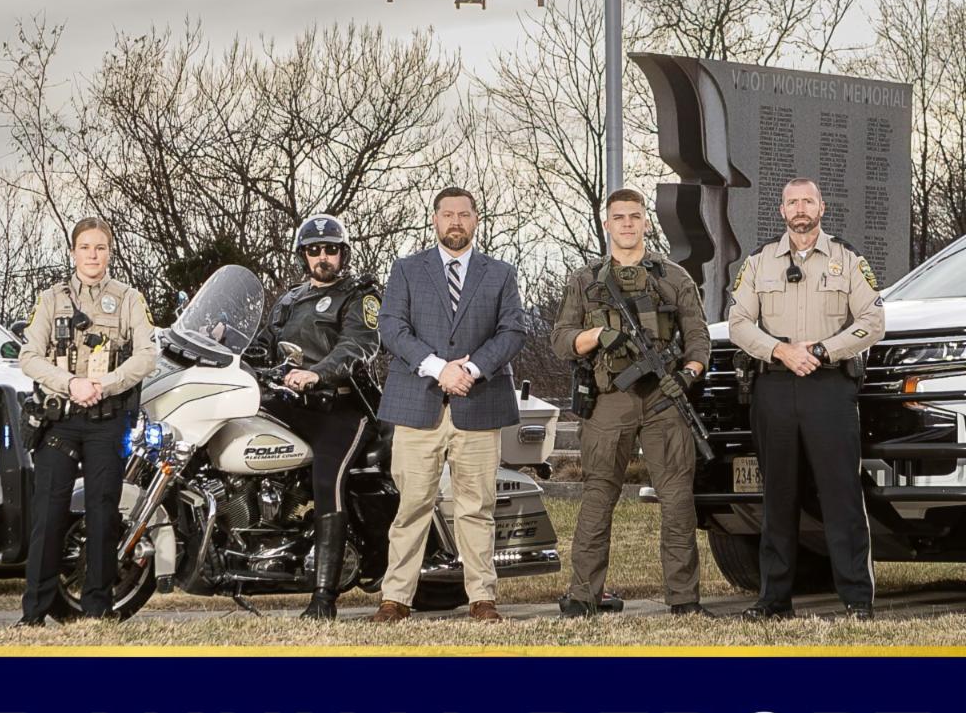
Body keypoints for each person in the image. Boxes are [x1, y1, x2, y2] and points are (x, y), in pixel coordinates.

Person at [728, 177, 884, 621]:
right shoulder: (758, 263)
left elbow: (873, 320)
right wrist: (780, 350)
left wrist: (821, 350)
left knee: (842, 496)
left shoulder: (847, 259)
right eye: (792, 202)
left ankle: (856, 600)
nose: (800, 209)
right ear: (781, 211)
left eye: (808, 201)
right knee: (777, 496)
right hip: (773, 387)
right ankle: (774, 601)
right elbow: (739, 322)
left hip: (829, 387)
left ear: (822, 208)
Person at [369, 187, 526, 625]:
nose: (455, 222)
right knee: (412, 505)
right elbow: (391, 327)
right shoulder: (405, 270)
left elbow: (512, 331)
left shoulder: (501, 274)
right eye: (447, 215)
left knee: (476, 507)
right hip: (417, 406)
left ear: (476, 220)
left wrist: (472, 369)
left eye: (464, 215)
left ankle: (482, 598)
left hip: (479, 403)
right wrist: (439, 368)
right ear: (434, 221)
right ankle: (395, 598)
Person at [552, 188, 710, 618]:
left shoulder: (673, 276)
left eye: (634, 216)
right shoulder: (585, 280)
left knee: (677, 497)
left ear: (645, 222)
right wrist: (597, 336)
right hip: (609, 400)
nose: (626, 223)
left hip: (663, 398)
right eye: (618, 217)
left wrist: (688, 374)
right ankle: (583, 597)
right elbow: (561, 339)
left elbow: (698, 337)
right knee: (599, 495)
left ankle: (684, 601)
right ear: (607, 224)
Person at [17, 217, 159, 625]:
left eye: (100, 248)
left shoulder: (129, 298)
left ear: (110, 252)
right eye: (85, 247)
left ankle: (98, 610)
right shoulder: (50, 299)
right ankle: (34, 612)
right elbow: (29, 357)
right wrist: (72, 383)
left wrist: (108, 383)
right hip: (59, 419)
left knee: (103, 513)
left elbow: (146, 355)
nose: (92, 255)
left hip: (106, 419)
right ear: (73, 252)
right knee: (49, 513)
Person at [258, 214, 382, 620]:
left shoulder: (360, 296)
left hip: (343, 406)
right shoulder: (288, 301)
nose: (323, 257)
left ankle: (324, 599)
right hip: (291, 404)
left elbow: (358, 345)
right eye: (314, 250)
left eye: (331, 249)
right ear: (303, 257)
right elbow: (263, 345)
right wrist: (224, 345)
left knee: (327, 480)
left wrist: (318, 372)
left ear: (342, 253)